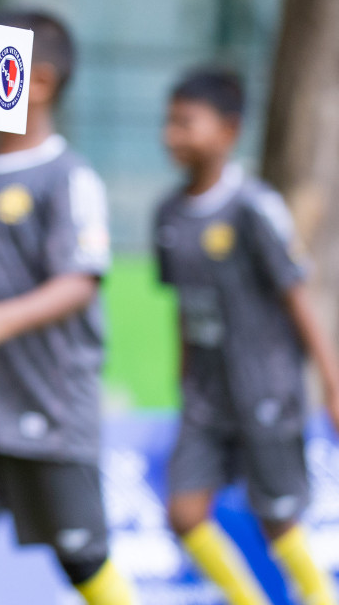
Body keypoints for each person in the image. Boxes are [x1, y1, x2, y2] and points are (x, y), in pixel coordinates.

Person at [0, 12, 138, 605]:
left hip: (50, 406)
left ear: (40, 83)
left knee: (83, 556)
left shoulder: (68, 176)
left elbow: (81, 279)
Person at [155, 67, 339, 605]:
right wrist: (183, 375)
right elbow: (183, 307)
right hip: (206, 396)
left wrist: (330, 382)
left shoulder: (255, 208)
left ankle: (320, 596)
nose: (172, 135)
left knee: (276, 516)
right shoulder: (168, 214)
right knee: (184, 511)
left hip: (265, 386)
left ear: (228, 132)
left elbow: (296, 298)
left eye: (186, 122)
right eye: (169, 122)